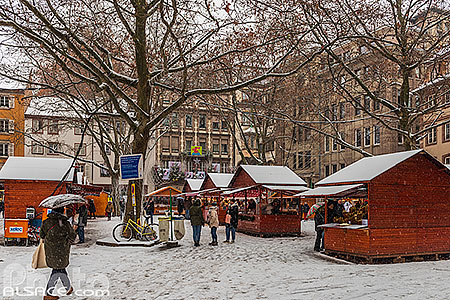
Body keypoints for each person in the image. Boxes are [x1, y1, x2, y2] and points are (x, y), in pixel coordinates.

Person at [40, 206, 77, 300]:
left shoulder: (46, 222)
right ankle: (48, 294)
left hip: (50, 250)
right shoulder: (65, 223)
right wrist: (68, 240)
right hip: (62, 250)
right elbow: (72, 236)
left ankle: (68, 288)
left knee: (59, 267)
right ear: (62, 212)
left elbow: (41, 235)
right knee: (57, 269)